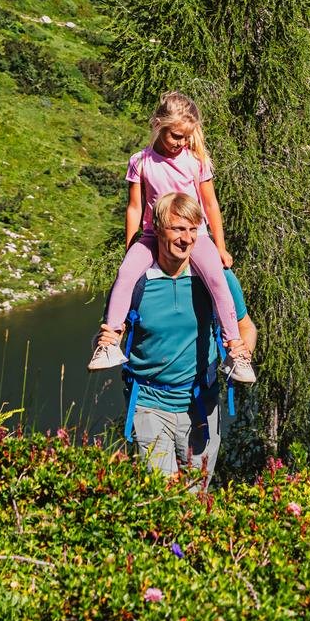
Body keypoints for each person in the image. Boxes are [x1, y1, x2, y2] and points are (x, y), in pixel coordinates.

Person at [90, 91, 253, 382]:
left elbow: (210, 204)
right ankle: (110, 341)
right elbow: (135, 207)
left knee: (217, 278)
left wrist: (220, 245)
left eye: (187, 137)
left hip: (195, 234)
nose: (182, 142)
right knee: (126, 273)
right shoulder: (141, 162)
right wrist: (130, 247)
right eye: (176, 136)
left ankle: (235, 351)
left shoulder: (196, 161)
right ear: (158, 125)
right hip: (153, 234)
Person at [116, 189, 257, 478]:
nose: (187, 238)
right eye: (178, 229)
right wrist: (104, 342)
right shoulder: (136, 281)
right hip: (149, 404)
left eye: (193, 230)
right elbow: (114, 332)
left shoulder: (217, 279)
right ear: (157, 228)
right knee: (161, 497)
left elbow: (245, 326)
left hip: (202, 404)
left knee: (196, 495)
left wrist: (243, 352)